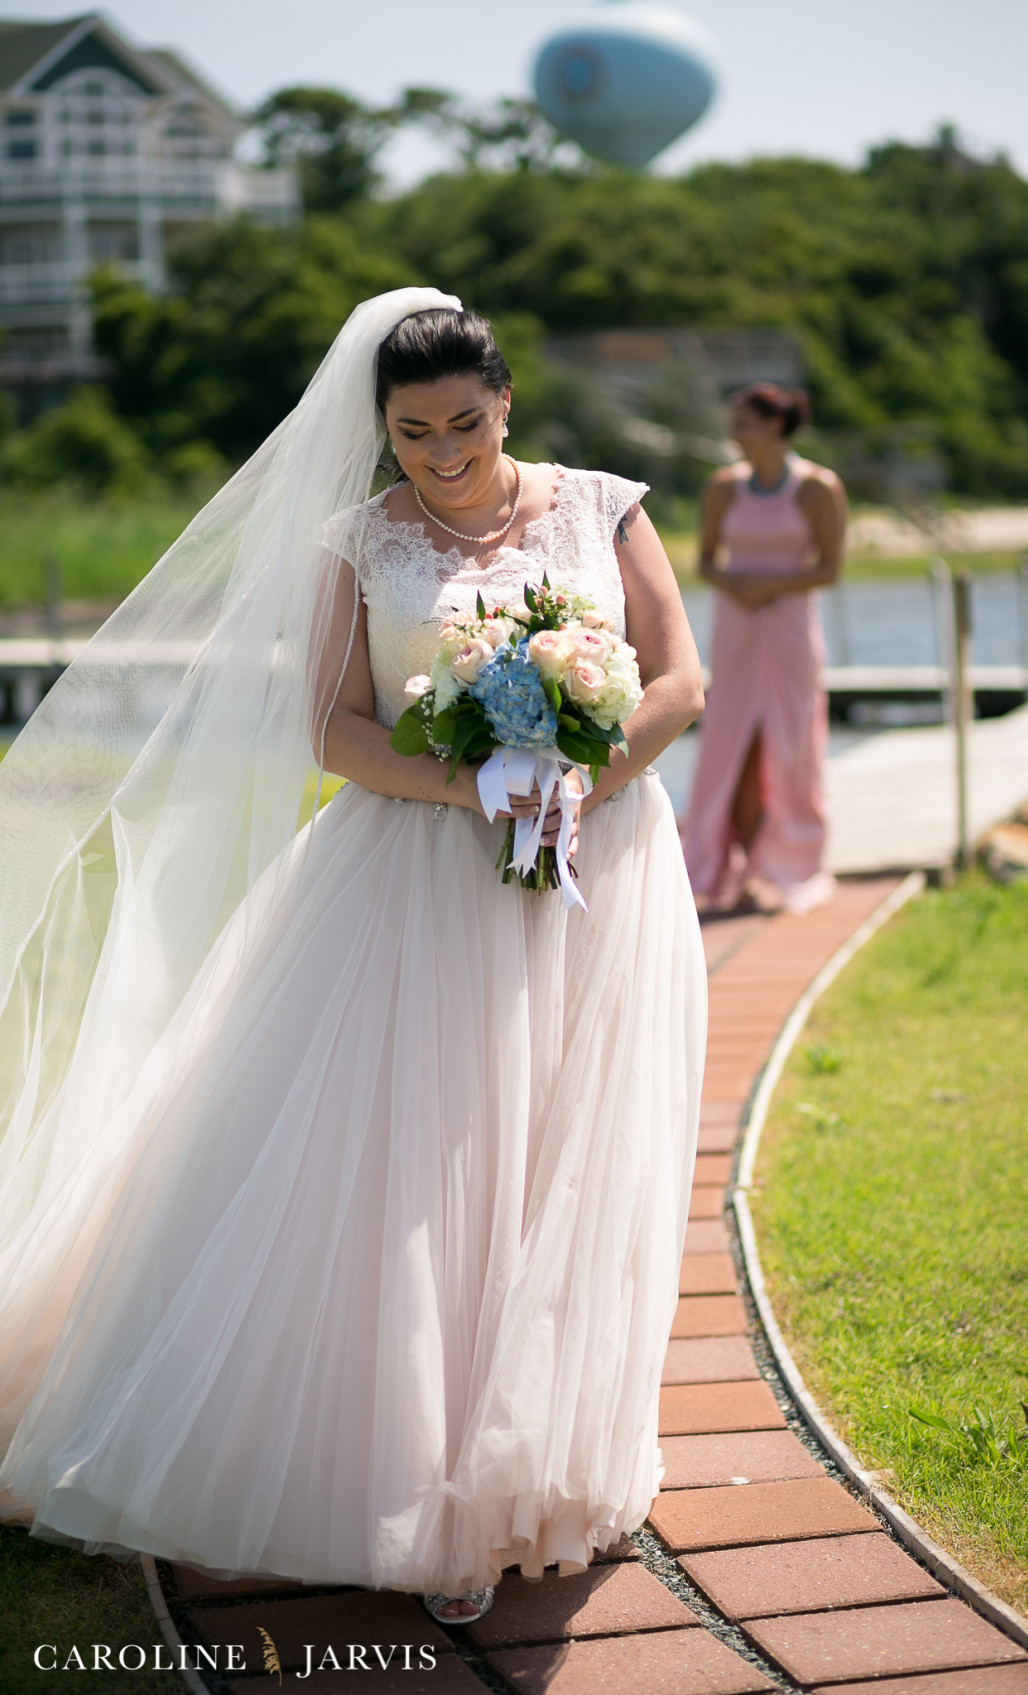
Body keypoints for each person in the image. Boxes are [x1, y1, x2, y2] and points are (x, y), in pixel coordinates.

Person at [0, 291, 708, 1626]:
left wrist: (581, 779)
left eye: (466, 424)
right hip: (418, 879)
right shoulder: (358, 541)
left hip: (602, 864)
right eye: (412, 433)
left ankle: (545, 1453)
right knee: (423, 1171)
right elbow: (331, 727)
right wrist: (481, 793)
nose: (443, 454)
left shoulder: (602, 505)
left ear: (505, 402)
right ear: (379, 429)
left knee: (572, 1147)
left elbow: (679, 677)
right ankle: (416, 1481)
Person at [680, 382, 846, 914]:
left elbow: (831, 567)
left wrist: (771, 586)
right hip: (737, 631)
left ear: (775, 425)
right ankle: (739, 867)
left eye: (744, 422)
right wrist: (738, 585)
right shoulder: (723, 487)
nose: (735, 433)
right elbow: (705, 560)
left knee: (790, 747)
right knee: (735, 748)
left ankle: (785, 865)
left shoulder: (819, 487)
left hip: (790, 631)